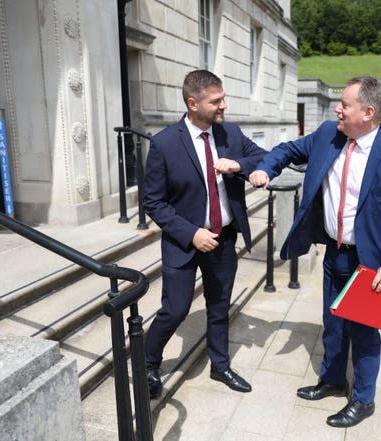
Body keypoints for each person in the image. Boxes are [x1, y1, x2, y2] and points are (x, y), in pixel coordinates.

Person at [249, 76, 381, 428]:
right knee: (332, 322)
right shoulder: (328, 135)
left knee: (363, 332)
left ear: (368, 112)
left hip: (371, 263)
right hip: (334, 250)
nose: (337, 109)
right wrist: (264, 168)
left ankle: (364, 400)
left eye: (345, 104)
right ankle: (332, 380)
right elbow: (287, 150)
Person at [143, 69, 267, 399]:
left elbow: (263, 157)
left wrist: (240, 167)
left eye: (223, 98)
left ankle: (220, 365)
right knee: (175, 309)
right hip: (184, 242)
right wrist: (191, 232)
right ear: (192, 103)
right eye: (216, 101)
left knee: (219, 307)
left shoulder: (231, 134)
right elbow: (152, 201)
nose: (224, 105)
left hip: (224, 238)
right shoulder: (164, 144)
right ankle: (147, 363)